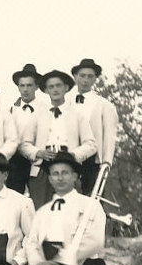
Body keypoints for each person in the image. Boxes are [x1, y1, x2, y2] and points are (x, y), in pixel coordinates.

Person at [23, 151, 106, 265]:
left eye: (65, 173)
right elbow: (31, 243)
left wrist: (61, 261)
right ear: (49, 179)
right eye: (55, 174)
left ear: (75, 176)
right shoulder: (42, 212)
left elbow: (95, 240)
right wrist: (40, 264)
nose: (60, 178)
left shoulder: (90, 205)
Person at [19, 69, 97, 209]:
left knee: (70, 209)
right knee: (41, 210)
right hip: (42, 169)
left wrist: (74, 155)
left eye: (58, 85)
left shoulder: (77, 114)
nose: (55, 90)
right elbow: (24, 144)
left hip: (68, 166)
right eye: (51, 86)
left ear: (66, 88)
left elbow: (91, 144)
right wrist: (39, 153)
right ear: (46, 90)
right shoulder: (37, 115)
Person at [68, 58, 119, 196]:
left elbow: (109, 135)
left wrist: (106, 162)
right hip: (68, 155)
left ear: (95, 79)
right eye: (82, 76)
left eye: (90, 77)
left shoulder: (105, 105)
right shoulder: (66, 101)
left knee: (92, 197)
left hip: (93, 159)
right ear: (75, 77)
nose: (85, 80)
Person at [6, 63, 48, 194]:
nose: (25, 89)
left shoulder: (45, 109)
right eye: (22, 85)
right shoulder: (11, 109)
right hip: (15, 162)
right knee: (14, 199)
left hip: (38, 159)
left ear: (36, 87)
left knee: (38, 198)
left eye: (29, 85)